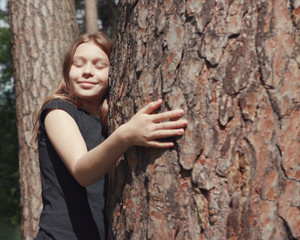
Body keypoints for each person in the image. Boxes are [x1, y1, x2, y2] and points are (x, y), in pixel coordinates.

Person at [32, 32, 188, 240]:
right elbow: (82, 171)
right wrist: (127, 134)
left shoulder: (109, 121)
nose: (87, 71)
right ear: (67, 71)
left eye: (99, 66)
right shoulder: (57, 111)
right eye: (78, 64)